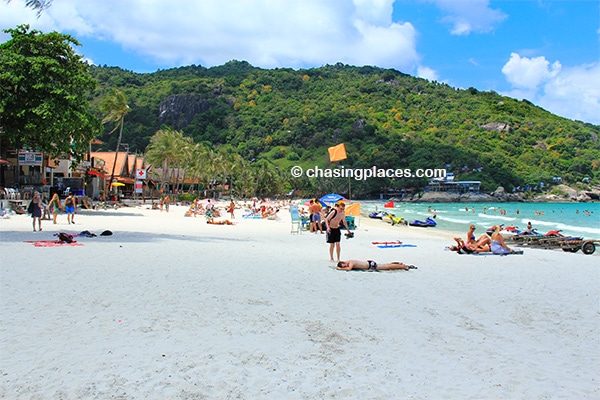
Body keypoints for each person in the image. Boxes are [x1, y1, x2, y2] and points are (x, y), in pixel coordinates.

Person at [336, 260, 417, 271]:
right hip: (370, 264)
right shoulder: (349, 262)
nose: (345, 266)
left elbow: (349, 268)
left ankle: (402, 266)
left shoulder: (350, 263)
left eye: (344, 265)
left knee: (387, 267)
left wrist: (340, 269)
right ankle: (399, 264)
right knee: (386, 265)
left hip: (370, 265)